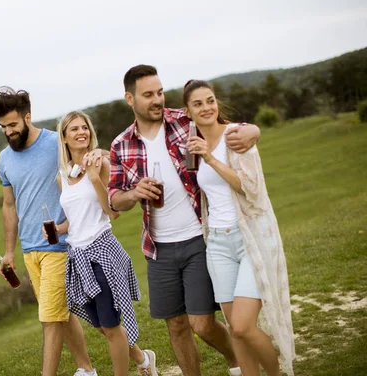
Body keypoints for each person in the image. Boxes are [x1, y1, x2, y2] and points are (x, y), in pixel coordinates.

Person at [108, 65, 262, 376]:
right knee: (176, 326)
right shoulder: (121, 145)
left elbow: (225, 126)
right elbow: (114, 198)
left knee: (202, 324)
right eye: (148, 95)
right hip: (159, 249)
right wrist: (134, 193)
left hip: (198, 238)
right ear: (130, 98)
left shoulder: (184, 120)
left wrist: (252, 129)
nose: (157, 100)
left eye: (160, 92)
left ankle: (240, 363)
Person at [183, 79, 295, 376]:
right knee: (236, 329)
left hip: (250, 239)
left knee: (245, 326)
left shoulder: (235, 136)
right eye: (198, 103)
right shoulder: (192, 143)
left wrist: (210, 157)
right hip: (217, 244)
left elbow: (249, 188)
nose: (206, 107)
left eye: (210, 100)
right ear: (188, 111)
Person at [0, 87, 98, 376]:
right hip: (30, 250)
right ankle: (90, 368)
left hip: (60, 245)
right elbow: (9, 206)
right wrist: (10, 252)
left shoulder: (54, 143)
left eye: (13, 125)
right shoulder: (4, 160)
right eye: (3, 127)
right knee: (62, 315)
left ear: (27, 117)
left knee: (49, 318)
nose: (8, 132)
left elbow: (89, 160)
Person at [46, 110, 158, 376]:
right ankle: (143, 360)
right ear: (64, 137)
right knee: (100, 324)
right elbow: (74, 219)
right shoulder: (62, 177)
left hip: (102, 251)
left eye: (84, 127)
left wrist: (96, 179)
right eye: (74, 129)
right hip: (78, 255)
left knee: (110, 325)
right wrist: (57, 229)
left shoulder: (101, 164)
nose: (81, 132)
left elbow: (113, 212)